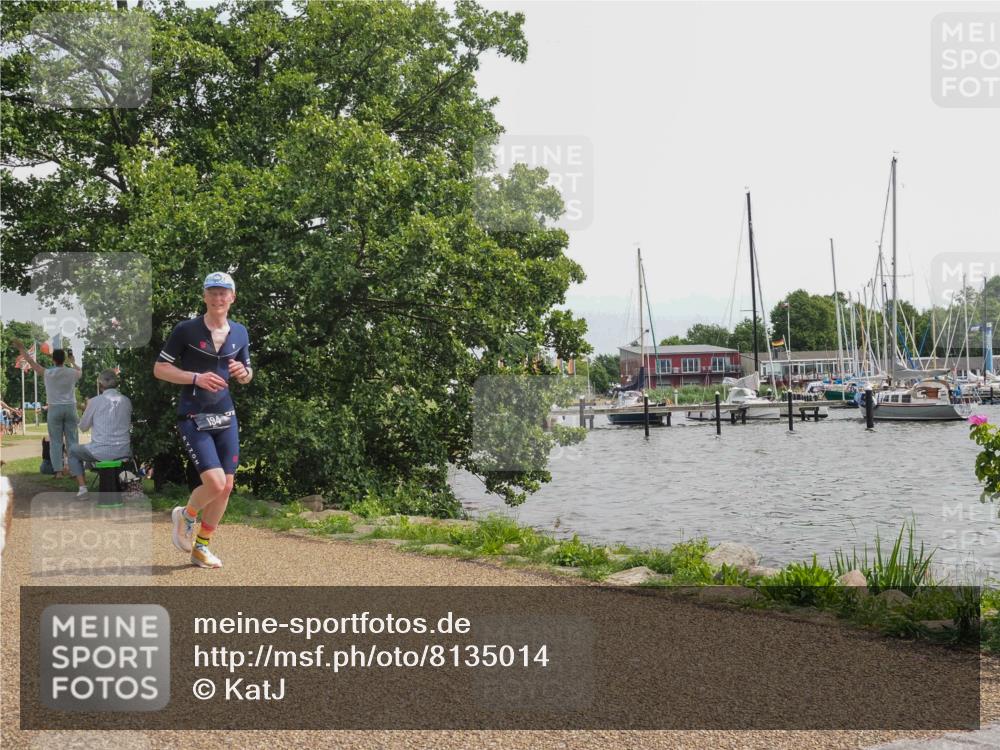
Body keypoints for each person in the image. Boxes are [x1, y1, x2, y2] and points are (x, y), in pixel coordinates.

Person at [153, 272, 252, 569]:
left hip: (226, 416)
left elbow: (247, 372)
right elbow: (160, 369)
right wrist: (196, 377)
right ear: (204, 296)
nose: (218, 298)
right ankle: (186, 515)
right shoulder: (186, 330)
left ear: (232, 297)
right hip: (193, 415)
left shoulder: (240, 332)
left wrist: (243, 374)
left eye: (223, 293)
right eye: (212, 292)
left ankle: (201, 548)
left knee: (227, 486)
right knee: (215, 482)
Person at [14, 340, 81, 477]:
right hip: (70, 407)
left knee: (55, 441)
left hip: (54, 407)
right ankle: (74, 470)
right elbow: (80, 371)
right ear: (64, 359)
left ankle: (58, 471)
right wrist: (73, 362)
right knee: (73, 441)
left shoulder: (47, 373)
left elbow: (31, 362)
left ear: (53, 360)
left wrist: (21, 349)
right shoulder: (72, 372)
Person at [68, 369, 132, 499]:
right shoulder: (126, 401)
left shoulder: (94, 401)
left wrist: (85, 412)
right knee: (91, 450)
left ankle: (83, 489)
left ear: (100, 385)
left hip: (101, 451)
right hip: (124, 450)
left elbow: (83, 427)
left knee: (73, 450)